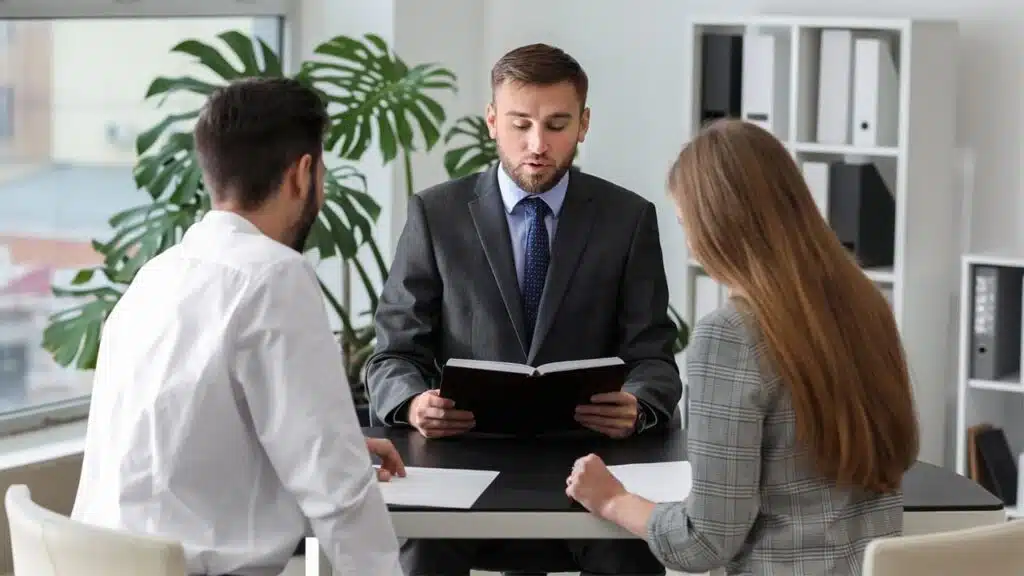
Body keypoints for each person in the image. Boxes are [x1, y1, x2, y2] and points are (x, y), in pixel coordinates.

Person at [365, 43, 681, 576]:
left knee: (628, 553)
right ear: (492, 121)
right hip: (461, 458)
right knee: (421, 551)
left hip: (589, 461)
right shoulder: (436, 215)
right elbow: (393, 353)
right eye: (521, 124)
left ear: (583, 124)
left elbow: (653, 358)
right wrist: (415, 403)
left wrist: (639, 403)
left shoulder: (626, 219)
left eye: (557, 125)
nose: (537, 145)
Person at [71, 78, 406, 576]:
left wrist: (339, 441)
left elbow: (177, 435)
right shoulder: (275, 274)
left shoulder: (158, 273)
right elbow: (336, 491)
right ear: (304, 174)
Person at [565, 118, 921, 575]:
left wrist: (613, 499)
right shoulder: (867, 306)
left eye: (686, 223)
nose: (691, 244)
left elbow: (705, 543)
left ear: (717, 225)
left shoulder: (729, 335)